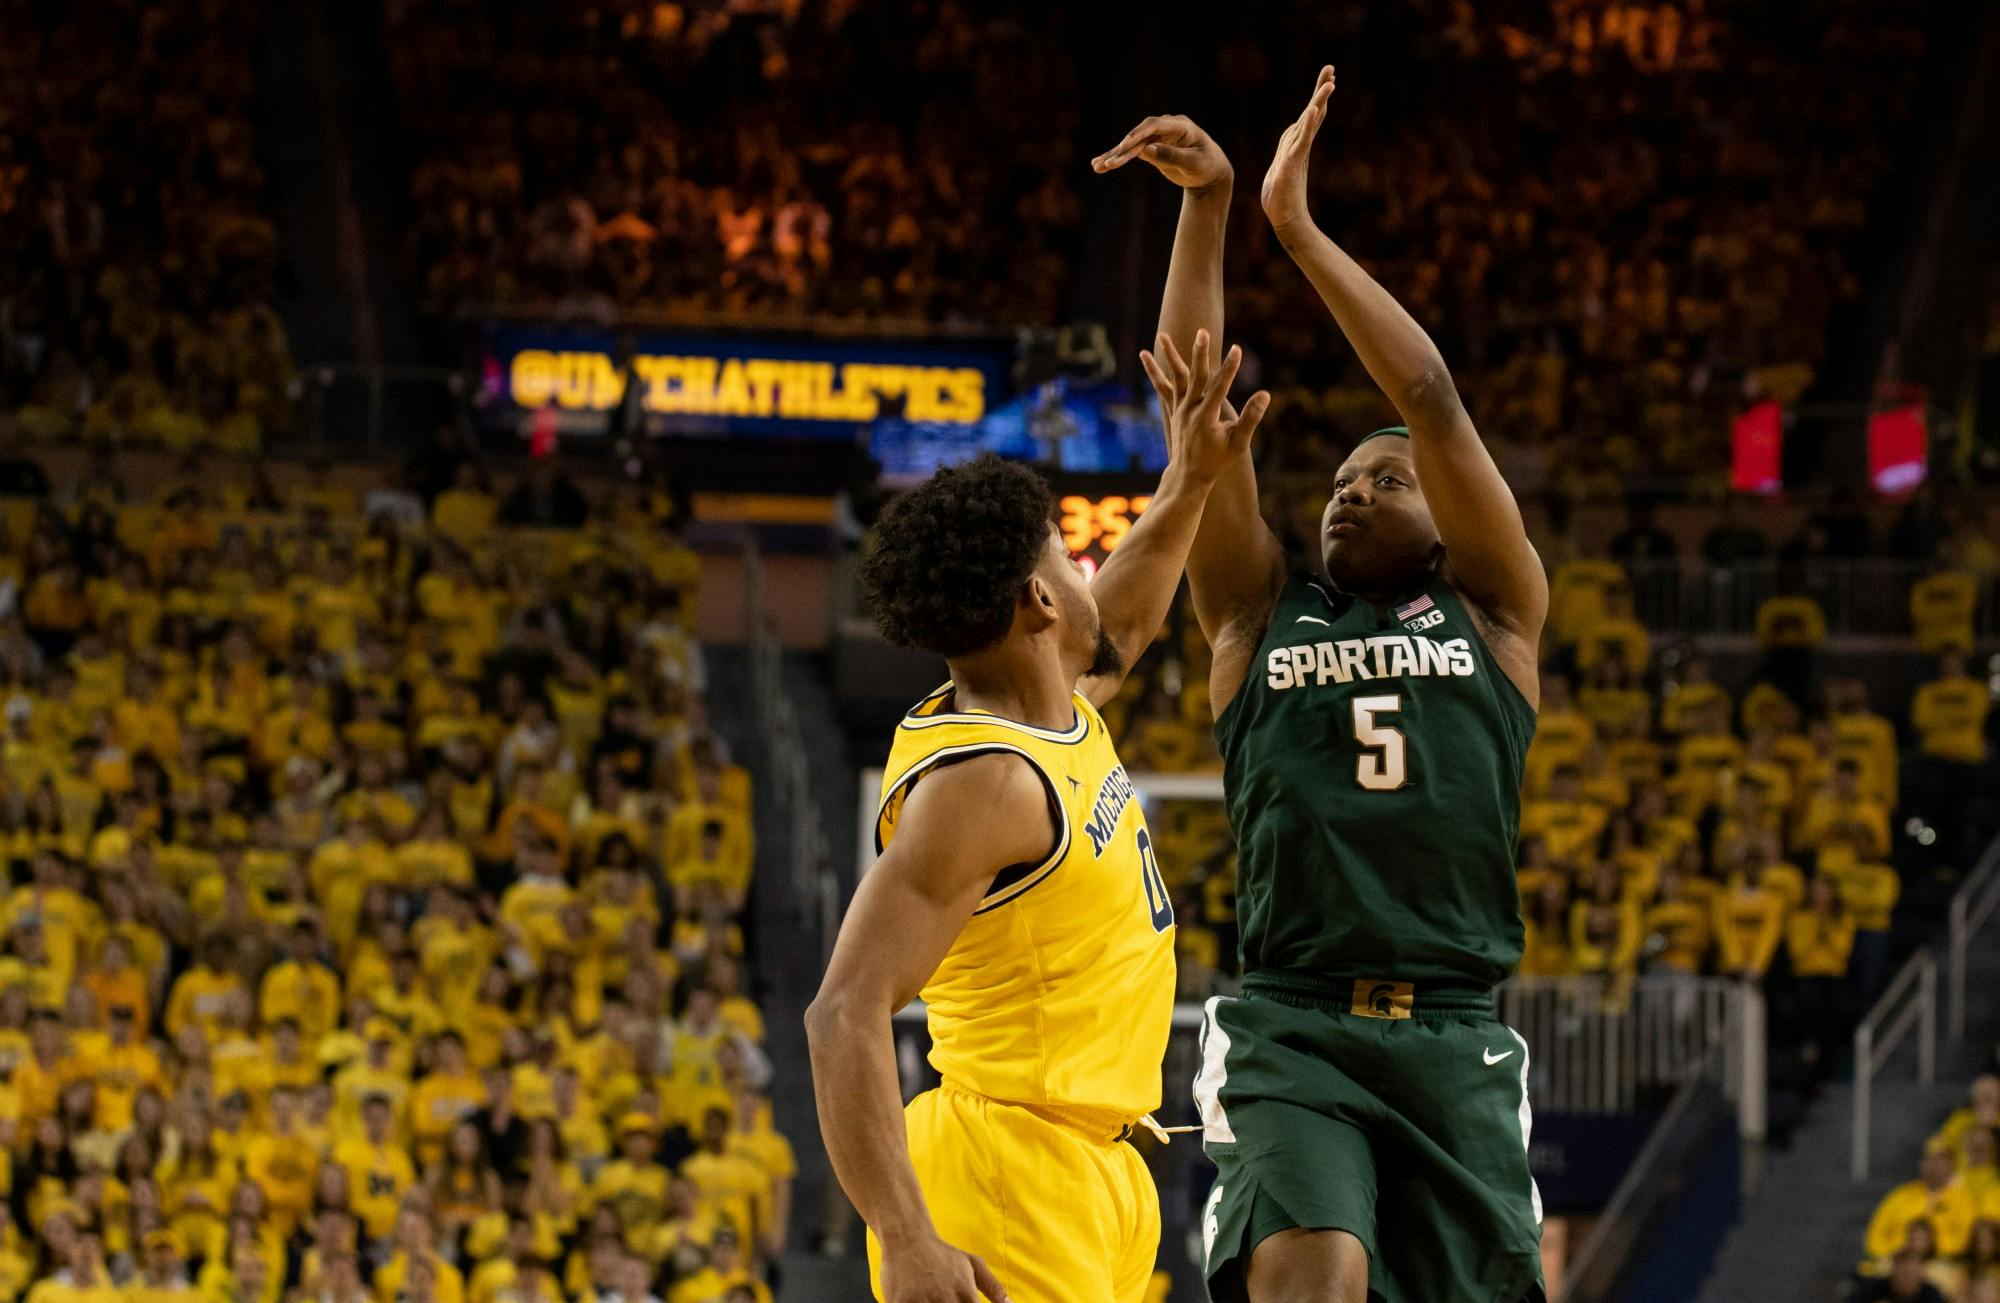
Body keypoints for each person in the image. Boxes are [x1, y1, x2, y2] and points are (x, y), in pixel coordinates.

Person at [1097, 68, 1546, 1303]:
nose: (1350, 489)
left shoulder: (1495, 612)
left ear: (1445, 521)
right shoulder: (1258, 609)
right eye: (1338, 480)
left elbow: (1428, 396)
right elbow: (1194, 404)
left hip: (1455, 1032)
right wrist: (1210, 209)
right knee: (1314, 1275)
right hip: (1294, 1024)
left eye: (1382, 480)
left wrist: (1296, 230)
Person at [806, 334, 1271, 1299]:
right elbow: (842, 1012)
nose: (1084, 563)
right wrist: (904, 1235)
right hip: (1007, 1172)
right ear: (1036, 601)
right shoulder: (985, 785)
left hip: (1092, 1164)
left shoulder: (1054, 697)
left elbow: (1128, 623)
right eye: (1066, 551)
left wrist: (1189, 480)